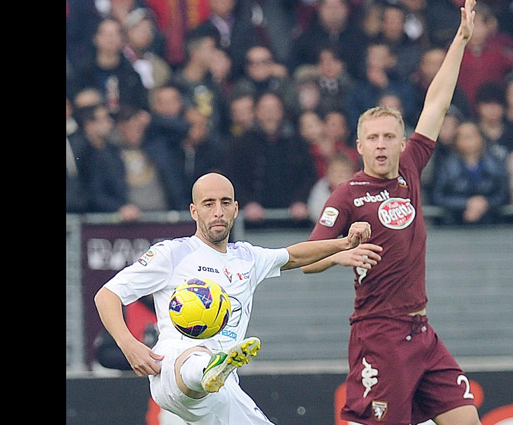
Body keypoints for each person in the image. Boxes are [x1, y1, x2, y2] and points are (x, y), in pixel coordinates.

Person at [301, 1, 483, 424]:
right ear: (359, 146)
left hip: (422, 333)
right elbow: (307, 261)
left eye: (388, 136)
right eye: (373, 138)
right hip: (379, 336)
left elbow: (436, 102)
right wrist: (342, 252)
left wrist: (460, 41)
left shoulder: (411, 167)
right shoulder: (347, 195)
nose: (381, 144)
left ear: (402, 143)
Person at [93, 172, 375, 425]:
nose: (218, 211)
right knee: (195, 357)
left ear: (236, 208)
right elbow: (106, 295)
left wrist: (343, 244)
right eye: (208, 204)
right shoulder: (172, 254)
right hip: (172, 372)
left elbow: (294, 255)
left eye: (225, 202)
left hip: (221, 391)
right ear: (194, 211)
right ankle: (208, 367)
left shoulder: (248, 258)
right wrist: (128, 344)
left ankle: (216, 369)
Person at [226, 91, 317, 223]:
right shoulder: (241, 144)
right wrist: (246, 202)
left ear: (282, 112)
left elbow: (309, 176)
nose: (269, 114)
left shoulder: (298, 144)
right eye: (265, 109)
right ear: (256, 112)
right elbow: (231, 177)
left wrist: (300, 200)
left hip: (293, 220)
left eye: (274, 109)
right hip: (251, 221)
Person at [431, 120, 509, 225]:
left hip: (492, 222)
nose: (468, 139)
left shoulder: (496, 163)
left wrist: (484, 203)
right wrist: (467, 203)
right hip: (454, 222)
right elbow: (438, 196)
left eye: (472, 135)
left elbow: (503, 193)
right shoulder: (446, 166)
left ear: (481, 138)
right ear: (456, 140)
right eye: (463, 136)